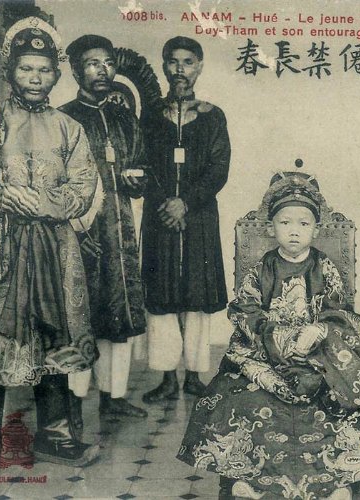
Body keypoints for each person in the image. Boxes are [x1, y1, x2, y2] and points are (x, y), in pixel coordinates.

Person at [177, 172, 360, 500]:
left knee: (341, 399)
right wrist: (278, 340)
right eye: (285, 222)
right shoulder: (262, 269)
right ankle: (246, 478)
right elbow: (245, 311)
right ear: (270, 227)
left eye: (303, 224)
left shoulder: (324, 267)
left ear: (316, 229)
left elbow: (340, 311)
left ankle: (337, 481)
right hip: (265, 355)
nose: (294, 231)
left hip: (318, 355)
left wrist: (318, 330)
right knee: (235, 397)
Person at [0, 24, 100, 479]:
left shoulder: (69, 127)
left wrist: (36, 202)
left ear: (56, 74)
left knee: (53, 337)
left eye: (44, 69)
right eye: (25, 68)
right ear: (9, 71)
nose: (35, 78)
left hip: (56, 250)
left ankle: (54, 433)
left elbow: (82, 188)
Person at [60, 34, 149, 423]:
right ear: (76, 70)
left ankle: (115, 396)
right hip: (77, 230)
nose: (103, 70)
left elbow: (143, 166)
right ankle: (73, 401)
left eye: (109, 63)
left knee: (119, 311)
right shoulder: (63, 118)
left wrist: (137, 179)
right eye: (93, 63)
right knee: (79, 313)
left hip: (120, 227)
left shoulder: (125, 117)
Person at [140, 36, 231, 403]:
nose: (180, 69)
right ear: (164, 66)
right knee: (161, 293)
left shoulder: (213, 116)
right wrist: (166, 203)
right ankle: (166, 378)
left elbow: (218, 168)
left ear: (200, 67)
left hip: (199, 216)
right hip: (160, 215)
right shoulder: (149, 115)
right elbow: (141, 163)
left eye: (188, 62)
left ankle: (194, 375)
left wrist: (186, 203)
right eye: (173, 61)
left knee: (196, 293)